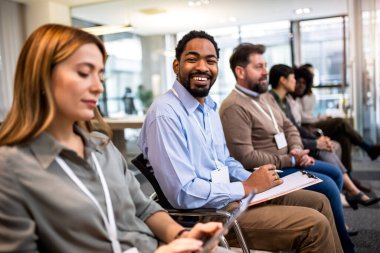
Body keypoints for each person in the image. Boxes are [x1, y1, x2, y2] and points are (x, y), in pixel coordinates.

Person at [0, 24, 227, 253]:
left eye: (100, 75)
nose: (98, 87)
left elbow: (144, 207)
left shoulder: (102, 146)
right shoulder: (11, 167)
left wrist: (182, 236)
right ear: (41, 76)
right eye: (83, 73)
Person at [138, 30, 343, 253]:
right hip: (209, 218)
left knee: (320, 201)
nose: (203, 67)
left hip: (234, 198)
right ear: (176, 66)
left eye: (210, 61)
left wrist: (258, 181)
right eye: (192, 59)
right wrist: (246, 186)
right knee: (314, 225)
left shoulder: (208, 107)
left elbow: (224, 161)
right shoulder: (165, 114)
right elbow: (183, 193)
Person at [219, 43, 355, 253]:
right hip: (272, 168)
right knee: (327, 186)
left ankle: (339, 236)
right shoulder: (234, 106)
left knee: (334, 173)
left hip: (290, 158)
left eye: (265, 65)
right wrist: (290, 160)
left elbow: (289, 126)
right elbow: (246, 157)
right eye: (258, 67)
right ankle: (346, 247)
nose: (265, 71)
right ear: (240, 71)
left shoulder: (264, 96)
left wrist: (297, 148)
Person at [268, 64, 380, 210]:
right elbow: (291, 131)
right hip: (290, 151)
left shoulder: (285, 101)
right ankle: (351, 191)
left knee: (342, 138)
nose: (296, 82)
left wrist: (316, 141)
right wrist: (315, 143)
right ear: (283, 80)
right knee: (338, 130)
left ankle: (352, 189)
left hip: (299, 143)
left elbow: (295, 128)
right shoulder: (273, 101)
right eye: (294, 78)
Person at [294, 65, 379, 192]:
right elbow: (302, 119)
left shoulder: (307, 95)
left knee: (343, 137)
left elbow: (307, 114)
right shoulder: (294, 98)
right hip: (308, 127)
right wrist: (319, 119)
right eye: (299, 81)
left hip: (311, 123)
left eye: (305, 82)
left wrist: (320, 117)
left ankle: (349, 178)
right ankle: (367, 148)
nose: (301, 85)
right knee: (340, 122)